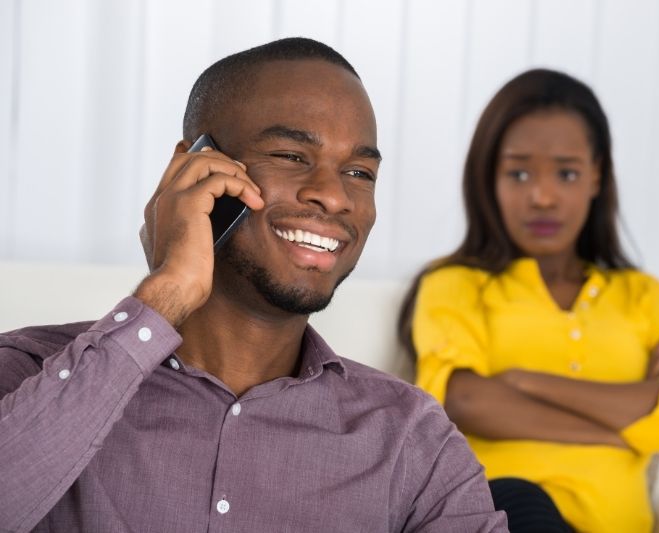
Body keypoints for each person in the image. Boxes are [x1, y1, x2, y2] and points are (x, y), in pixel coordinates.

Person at [0, 38, 507, 532]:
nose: (333, 197)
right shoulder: (26, 375)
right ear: (192, 169)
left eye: (358, 171)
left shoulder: (410, 439)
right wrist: (167, 290)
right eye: (290, 156)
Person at [398, 69, 659, 532]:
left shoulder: (643, 295)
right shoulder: (457, 284)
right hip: (502, 515)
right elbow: (462, 398)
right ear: (490, 179)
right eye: (519, 172)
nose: (542, 197)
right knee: (524, 500)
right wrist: (629, 414)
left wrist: (528, 381)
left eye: (566, 173)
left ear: (596, 178)